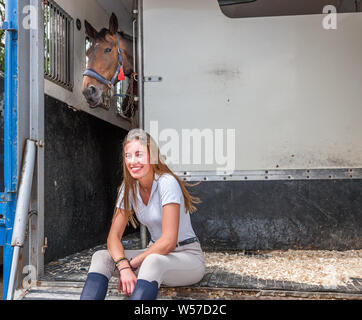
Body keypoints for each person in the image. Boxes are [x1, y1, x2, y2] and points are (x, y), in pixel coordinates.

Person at [80, 129, 206, 300]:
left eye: (139, 154)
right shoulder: (128, 188)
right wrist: (123, 266)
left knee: (152, 261)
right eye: (128, 156)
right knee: (101, 257)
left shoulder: (166, 182)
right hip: (152, 257)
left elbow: (168, 242)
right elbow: (113, 237)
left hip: (186, 257)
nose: (133, 161)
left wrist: (132, 264)